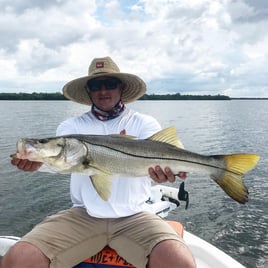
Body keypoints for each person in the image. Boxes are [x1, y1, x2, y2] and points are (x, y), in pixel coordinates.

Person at [1, 57, 196, 268]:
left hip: (135, 216)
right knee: (18, 258)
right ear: (88, 91)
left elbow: (168, 155)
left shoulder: (144, 123)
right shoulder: (72, 126)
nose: (103, 91)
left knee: (180, 262)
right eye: (95, 86)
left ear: (121, 87)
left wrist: (168, 172)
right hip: (84, 215)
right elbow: (62, 163)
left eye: (110, 84)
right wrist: (37, 163)